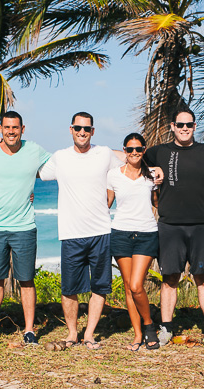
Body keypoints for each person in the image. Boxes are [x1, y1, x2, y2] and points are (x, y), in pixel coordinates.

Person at [144, 108, 204, 348]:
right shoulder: (159, 151)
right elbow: (133, 159)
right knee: (170, 277)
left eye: (189, 125)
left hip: (202, 225)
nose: (184, 128)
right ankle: (166, 329)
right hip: (170, 226)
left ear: (194, 127)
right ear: (172, 126)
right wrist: (152, 171)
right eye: (180, 124)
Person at [38, 112, 125, 349]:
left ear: (93, 131)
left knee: (99, 286)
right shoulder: (59, 158)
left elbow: (128, 165)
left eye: (86, 128)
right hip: (71, 233)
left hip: (100, 231)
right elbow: (33, 172)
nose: (82, 132)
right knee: (69, 288)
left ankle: (89, 334)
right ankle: (72, 333)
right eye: (78, 128)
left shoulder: (104, 153)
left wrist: (110, 199)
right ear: (71, 129)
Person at [0, 111, 51, 345]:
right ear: (1, 129)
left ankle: (29, 330)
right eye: (7, 127)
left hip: (25, 227)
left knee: (26, 279)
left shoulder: (34, 150)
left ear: (23, 129)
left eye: (15, 128)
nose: (11, 131)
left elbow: (62, 166)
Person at [107, 133, 160, 351]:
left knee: (137, 285)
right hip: (120, 233)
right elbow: (106, 204)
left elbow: (158, 203)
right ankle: (138, 335)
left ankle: (149, 325)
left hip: (147, 233)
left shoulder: (152, 175)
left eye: (138, 149)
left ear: (144, 150)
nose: (134, 153)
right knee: (129, 287)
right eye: (130, 149)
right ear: (124, 151)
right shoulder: (113, 175)